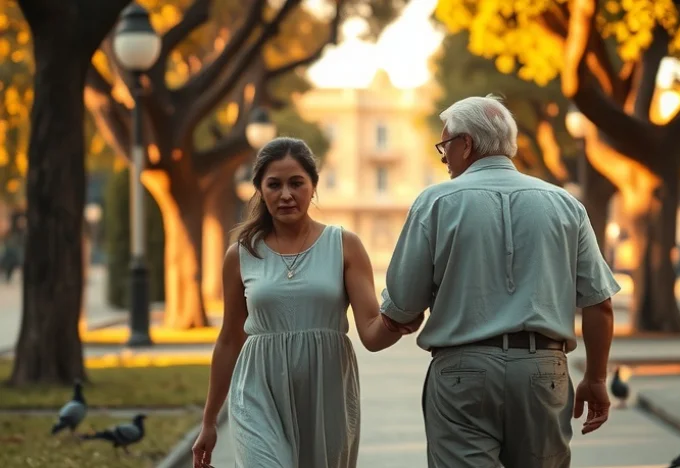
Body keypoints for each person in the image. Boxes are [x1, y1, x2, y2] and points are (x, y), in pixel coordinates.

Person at [379, 95, 621, 468]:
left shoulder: (435, 202)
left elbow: (403, 302)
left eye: (445, 146)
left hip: (462, 370)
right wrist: (596, 378)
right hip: (544, 370)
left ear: (466, 144)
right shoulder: (565, 205)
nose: (443, 157)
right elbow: (599, 303)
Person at [191, 137, 421, 468]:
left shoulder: (345, 245)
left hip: (326, 393)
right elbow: (229, 340)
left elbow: (371, 334)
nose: (286, 194)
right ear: (260, 190)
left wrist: (397, 321)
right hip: (258, 391)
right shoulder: (241, 254)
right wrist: (210, 421)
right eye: (274, 185)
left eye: (296, 183)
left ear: (313, 187)